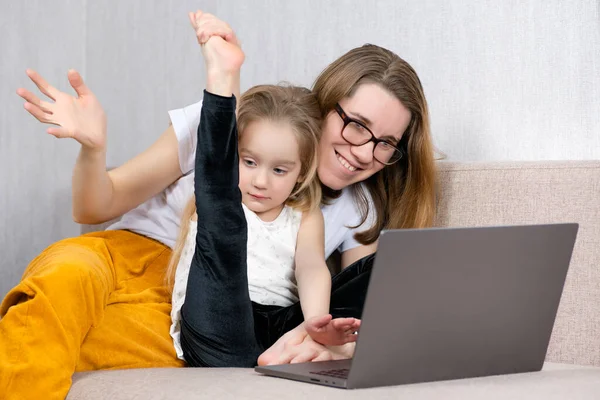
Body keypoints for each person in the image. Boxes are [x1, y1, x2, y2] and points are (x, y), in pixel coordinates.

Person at [0, 10, 436, 399]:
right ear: (327, 104)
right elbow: (95, 208)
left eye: (385, 144)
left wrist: (332, 337)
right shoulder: (236, 124)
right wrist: (93, 149)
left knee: (83, 342)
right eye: (357, 125)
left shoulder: (358, 207)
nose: (364, 152)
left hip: (204, 306)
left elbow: (360, 306)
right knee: (61, 284)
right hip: (130, 252)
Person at [169, 13, 361, 363]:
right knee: (223, 216)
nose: (260, 181)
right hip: (220, 328)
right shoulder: (223, 203)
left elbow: (311, 266)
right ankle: (218, 78)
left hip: (281, 329)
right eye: (250, 162)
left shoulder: (304, 216)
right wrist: (225, 81)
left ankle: (301, 347)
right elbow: (215, 175)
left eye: (279, 170)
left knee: (378, 269)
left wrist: (314, 324)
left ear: (300, 175)